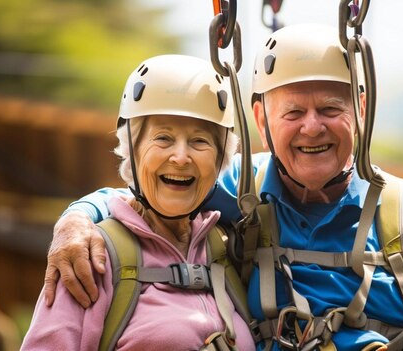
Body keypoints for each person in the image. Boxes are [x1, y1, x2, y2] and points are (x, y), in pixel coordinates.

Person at [43, 24, 403, 350]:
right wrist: (78, 217)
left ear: (361, 110)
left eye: (331, 109)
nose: (313, 128)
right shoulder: (233, 191)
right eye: (293, 113)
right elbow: (144, 194)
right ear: (261, 120)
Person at [21, 54, 255, 350]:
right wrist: (74, 218)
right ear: (132, 151)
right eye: (163, 138)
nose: (181, 157)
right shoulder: (92, 255)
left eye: (199, 141)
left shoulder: (227, 246)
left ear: (220, 159)